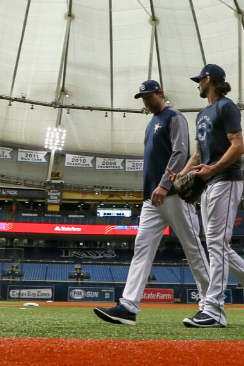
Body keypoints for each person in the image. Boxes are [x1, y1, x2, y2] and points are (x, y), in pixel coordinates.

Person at [94, 80, 211, 325]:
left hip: (173, 196)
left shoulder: (174, 117)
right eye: (142, 97)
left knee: (193, 250)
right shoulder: (151, 123)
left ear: (160, 93)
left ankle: (211, 305)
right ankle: (128, 306)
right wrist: (151, 190)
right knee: (142, 249)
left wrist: (164, 185)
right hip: (152, 199)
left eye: (148, 96)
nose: (145, 101)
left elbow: (180, 153)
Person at [173, 64, 244, 328]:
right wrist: (180, 175)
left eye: (200, 80)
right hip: (209, 183)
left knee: (217, 244)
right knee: (218, 246)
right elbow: (197, 154)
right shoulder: (202, 114)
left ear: (209, 80)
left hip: (227, 180)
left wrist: (214, 169)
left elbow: (238, 146)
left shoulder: (226, 106)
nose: (198, 84)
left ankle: (214, 310)